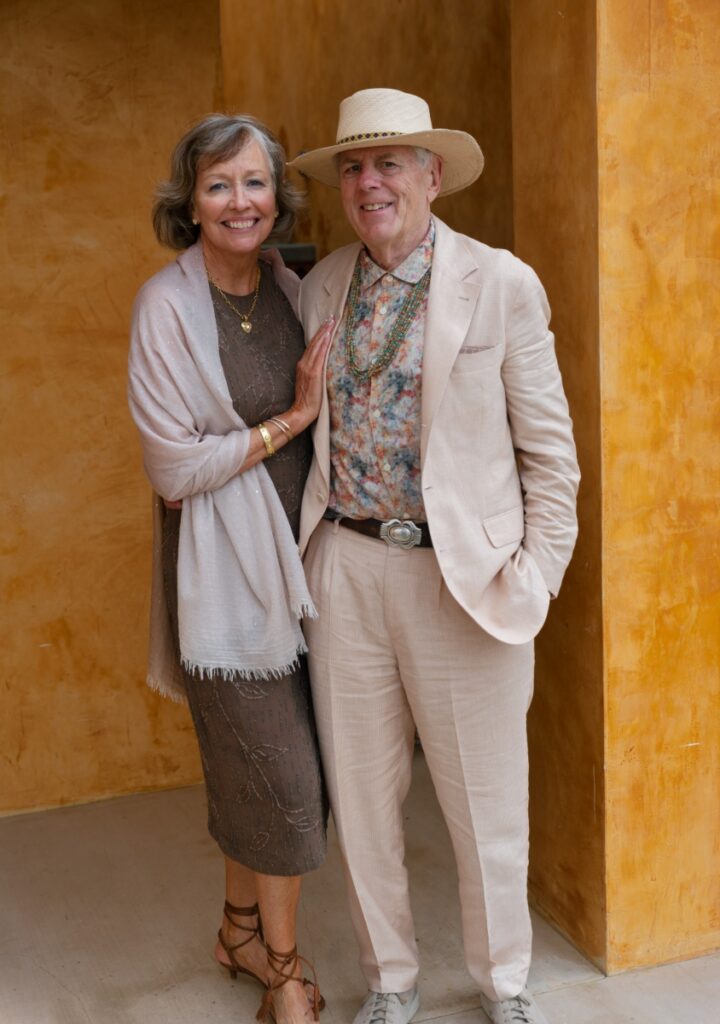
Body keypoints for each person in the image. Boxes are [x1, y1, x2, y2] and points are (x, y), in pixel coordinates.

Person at [289, 89, 580, 1024]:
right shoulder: (325, 282)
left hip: (467, 580)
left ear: (432, 175)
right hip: (347, 566)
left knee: (486, 804)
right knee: (366, 802)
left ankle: (503, 983)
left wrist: (534, 577)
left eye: (391, 163)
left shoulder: (499, 281)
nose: (370, 182)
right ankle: (391, 982)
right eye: (354, 167)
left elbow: (551, 452)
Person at [128, 114, 334, 1024]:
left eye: (254, 183)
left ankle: (239, 928)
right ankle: (284, 970)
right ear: (190, 201)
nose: (240, 202)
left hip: (308, 564)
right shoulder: (164, 307)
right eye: (218, 185)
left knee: (263, 768)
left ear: (277, 195)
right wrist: (290, 420)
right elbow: (173, 470)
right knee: (286, 782)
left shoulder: (292, 285)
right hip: (222, 581)